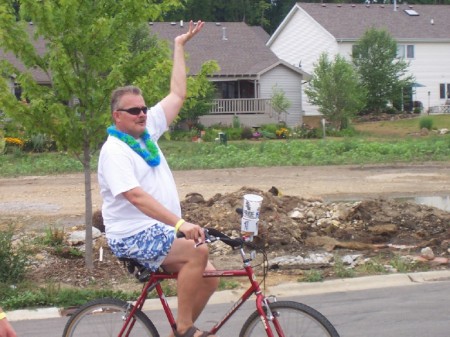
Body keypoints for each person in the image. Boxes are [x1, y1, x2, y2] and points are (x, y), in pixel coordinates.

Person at [98, 20, 219, 337]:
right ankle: (184, 329)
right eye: (133, 110)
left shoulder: (146, 133)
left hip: (159, 231)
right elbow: (136, 197)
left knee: (210, 276)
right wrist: (180, 225)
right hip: (132, 235)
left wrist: (178, 47)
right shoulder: (114, 151)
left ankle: (182, 329)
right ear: (117, 117)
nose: (141, 113)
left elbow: (178, 93)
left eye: (143, 108)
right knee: (197, 251)